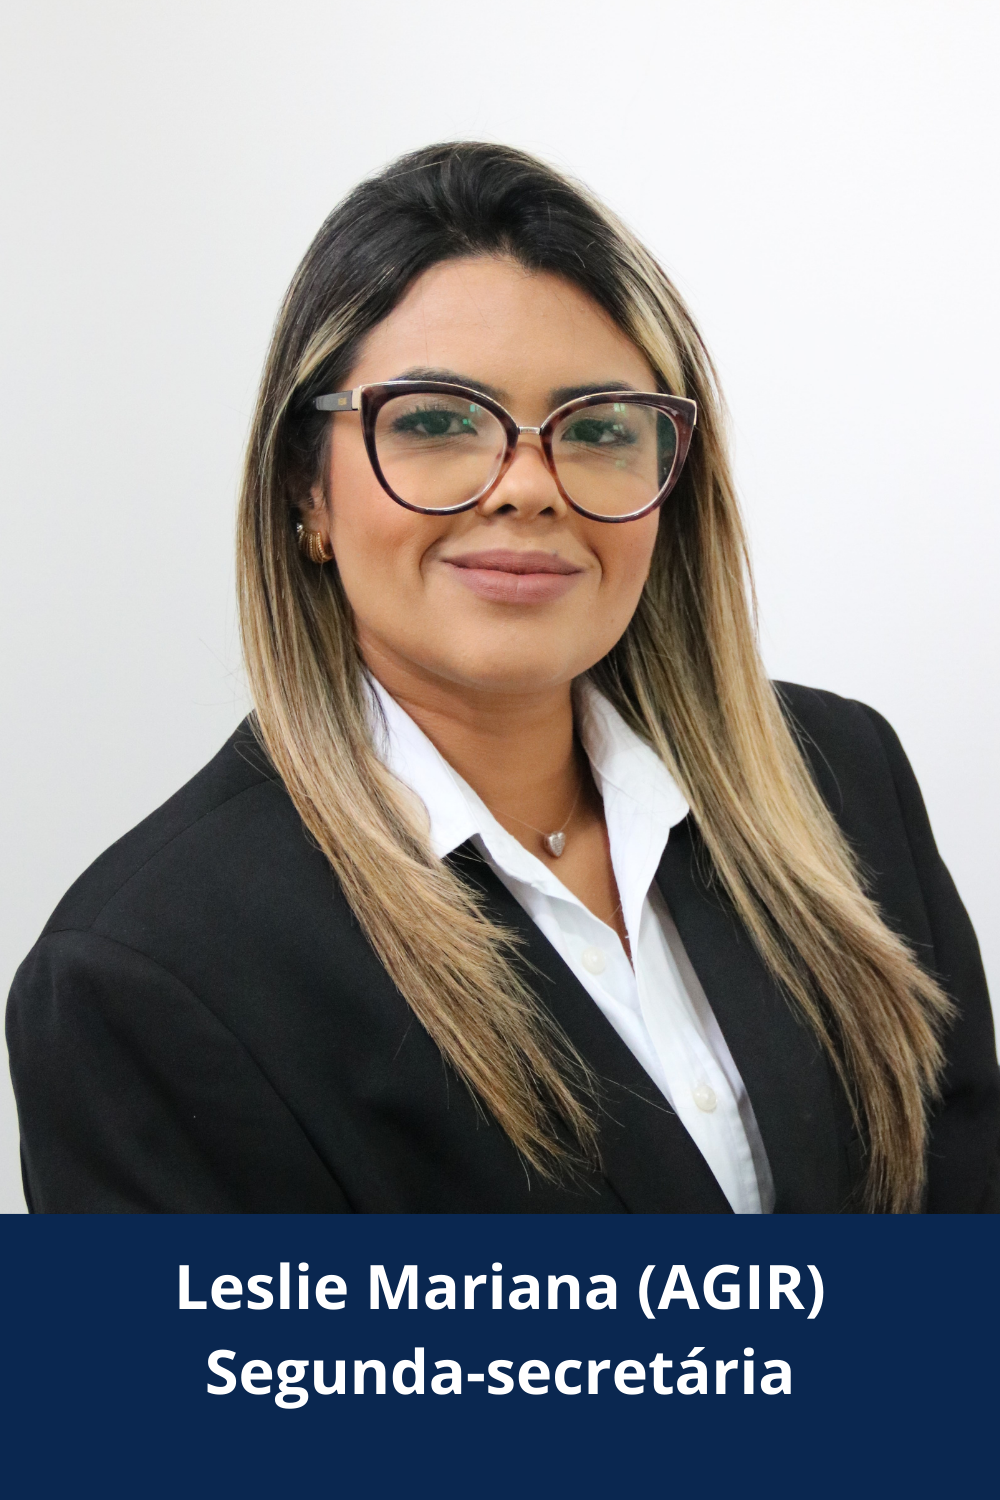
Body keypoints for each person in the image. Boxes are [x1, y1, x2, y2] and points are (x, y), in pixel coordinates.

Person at [6, 142, 998, 1214]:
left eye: (601, 428)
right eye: (436, 422)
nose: (528, 487)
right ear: (308, 489)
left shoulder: (841, 782)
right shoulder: (144, 973)